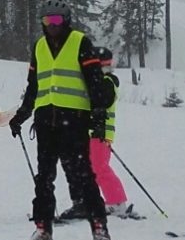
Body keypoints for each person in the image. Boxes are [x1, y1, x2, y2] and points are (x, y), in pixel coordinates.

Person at [8, 0, 116, 240]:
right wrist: (21, 115)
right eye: (46, 20)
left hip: (74, 120)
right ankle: (43, 228)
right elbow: (34, 85)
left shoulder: (80, 42)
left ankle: (99, 229)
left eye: (56, 20)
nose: (51, 25)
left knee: (84, 177)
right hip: (46, 122)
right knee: (44, 179)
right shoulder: (39, 47)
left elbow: (94, 82)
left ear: (65, 21)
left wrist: (98, 116)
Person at [57, 47, 137, 221]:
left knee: (99, 168)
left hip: (101, 134)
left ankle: (116, 202)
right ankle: (93, 202)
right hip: (91, 132)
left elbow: (103, 100)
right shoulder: (97, 81)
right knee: (91, 168)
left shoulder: (108, 81)